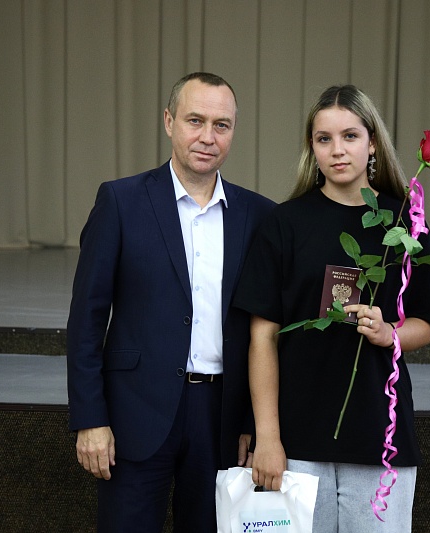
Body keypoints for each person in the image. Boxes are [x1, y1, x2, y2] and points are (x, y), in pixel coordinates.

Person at [66, 72, 275, 533]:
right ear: (168, 121)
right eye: (195, 120)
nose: (207, 136)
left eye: (221, 125)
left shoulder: (260, 215)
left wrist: (253, 422)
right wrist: (90, 418)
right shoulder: (120, 202)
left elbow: (263, 328)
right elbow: (86, 320)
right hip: (134, 413)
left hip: (221, 421)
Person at [232, 85, 430, 532]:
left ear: (373, 142)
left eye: (350, 136)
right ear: (311, 147)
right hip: (297, 439)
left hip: (378, 437)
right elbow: (262, 338)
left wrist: (390, 333)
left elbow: (427, 322)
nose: (337, 150)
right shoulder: (284, 224)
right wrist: (267, 437)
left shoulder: (405, 225)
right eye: (323, 138)